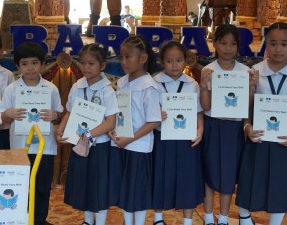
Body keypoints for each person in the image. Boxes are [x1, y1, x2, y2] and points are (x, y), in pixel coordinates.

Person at [0, 42, 63, 225]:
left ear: (42, 65)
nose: (30, 68)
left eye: (34, 63)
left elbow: (58, 114)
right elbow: (3, 116)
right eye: (25, 64)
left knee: (43, 186)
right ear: (18, 66)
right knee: (21, 185)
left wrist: (54, 115)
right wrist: (8, 114)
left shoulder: (51, 89)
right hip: (20, 147)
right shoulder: (12, 89)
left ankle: (39, 220)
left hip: (45, 147)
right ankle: (22, 219)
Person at [56, 43, 118, 225]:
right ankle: (87, 220)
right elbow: (69, 111)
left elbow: (110, 122)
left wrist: (90, 135)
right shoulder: (77, 86)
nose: (86, 67)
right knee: (85, 184)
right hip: (79, 144)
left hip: (99, 146)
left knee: (99, 185)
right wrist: (60, 129)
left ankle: (100, 221)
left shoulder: (107, 90)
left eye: (91, 63)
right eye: (83, 63)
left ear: (102, 66)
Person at [199, 24, 254, 225]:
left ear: (239, 46)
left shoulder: (246, 71)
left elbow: (247, 107)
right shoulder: (208, 70)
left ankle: (223, 217)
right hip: (212, 126)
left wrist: (251, 88)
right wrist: (204, 86)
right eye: (223, 43)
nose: (228, 48)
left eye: (233, 44)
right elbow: (205, 106)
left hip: (233, 130)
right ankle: (207, 216)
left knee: (228, 174)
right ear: (215, 44)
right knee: (209, 171)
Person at [236, 22, 287, 225]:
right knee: (249, 178)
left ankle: (275, 221)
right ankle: (244, 216)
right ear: (266, 44)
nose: (278, 49)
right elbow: (246, 107)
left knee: (280, 183)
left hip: (283, 142)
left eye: (284, 44)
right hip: (257, 138)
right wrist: (246, 126)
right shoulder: (254, 72)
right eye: (273, 43)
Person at [108, 36, 162, 225]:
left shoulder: (150, 87)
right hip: (120, 144)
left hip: (138, 147)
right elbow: (117, 111)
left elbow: (153, 121)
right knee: (124, 189)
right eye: (121, 57)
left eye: (128, 57)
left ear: (143, 58)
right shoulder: (122, 82)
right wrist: (112, 130)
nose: (123, 62)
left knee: (136, 191)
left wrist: (129, 139)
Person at [152, 41, 204, 225]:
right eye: (169, 61)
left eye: (179, 60)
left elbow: (198, 111)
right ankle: (158, 218)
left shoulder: (192, 84)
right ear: (161, 61)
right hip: (162, 138)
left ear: (185, 61)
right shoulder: (154, 83)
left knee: (187, 177)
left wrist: (200, 130)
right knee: (160, 176)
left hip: (186, 140)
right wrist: (156, 114)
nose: (174, 65)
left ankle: (188, 219)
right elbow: (148, 111)